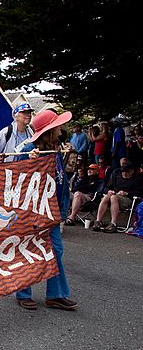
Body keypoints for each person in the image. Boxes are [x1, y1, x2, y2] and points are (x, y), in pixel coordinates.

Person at [16, 109, 78, 311]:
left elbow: (60, 181)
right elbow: (14, 171)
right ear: (50, 130)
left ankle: (56, 294)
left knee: (56, 250)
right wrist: (28, 159)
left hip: (52, 210)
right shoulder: (30, 150)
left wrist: (63, 209)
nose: (61, 129)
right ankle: (23, 292)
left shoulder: (55, 149)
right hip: (32, 211)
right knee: (29, 249)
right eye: (58, 125)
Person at [92, 160, 142, 233]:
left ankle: (113, 223)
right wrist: (109, 191)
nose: (124, 173)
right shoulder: (117, 175)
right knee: (108, 196)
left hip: (127, 199)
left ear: (132, 171)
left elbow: (139, 193)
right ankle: (98, 221)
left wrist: (127, 193)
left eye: (127, 172)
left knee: (113, 197)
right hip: (113, 196)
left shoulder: (137, 180)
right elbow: (107, 187)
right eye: (123, 172)